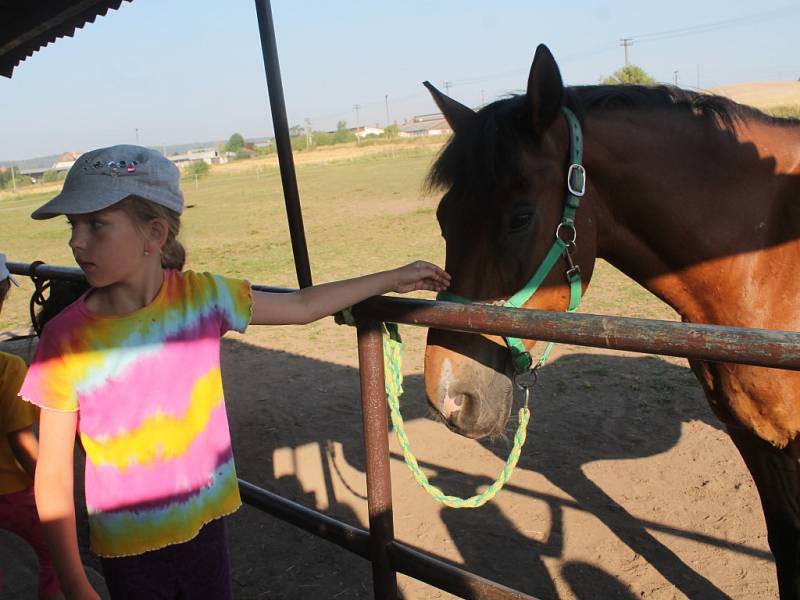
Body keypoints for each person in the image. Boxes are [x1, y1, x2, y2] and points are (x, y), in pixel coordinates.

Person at [19, 145, 450, 600]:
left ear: (154, 233)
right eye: (74, 226)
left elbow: (303, 306)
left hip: (207, 528)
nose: (76, 242)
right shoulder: (66, 338)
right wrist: (73, 579)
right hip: (128, 549)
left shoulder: (204, 297)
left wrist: (389, 279)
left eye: (95, 224)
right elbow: (52, 473)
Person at [0, 254, 65, 600]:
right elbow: (23, 443)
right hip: (11, 491)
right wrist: (52, 488)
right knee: (54, 553)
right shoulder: (7, 370)